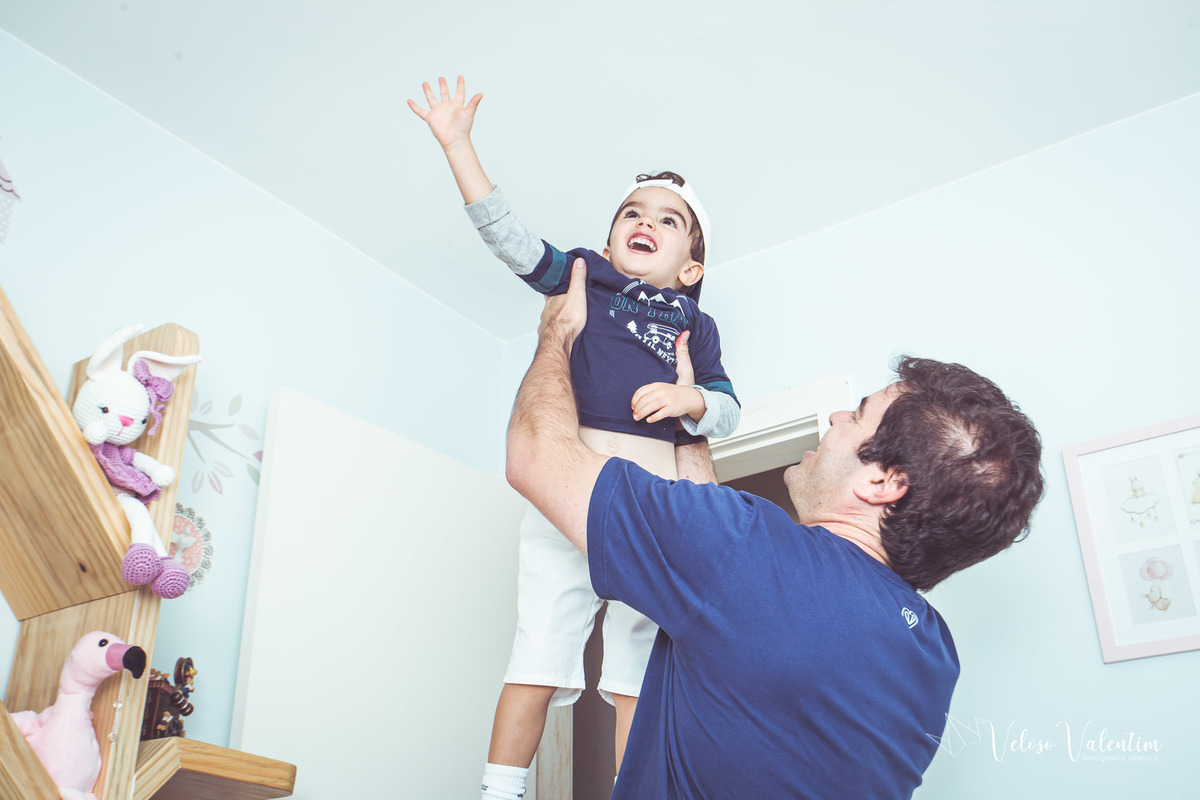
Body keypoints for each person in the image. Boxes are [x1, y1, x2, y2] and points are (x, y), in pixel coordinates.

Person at [506, 260, 1045, 799]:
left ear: (884, 481)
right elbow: (731, 600)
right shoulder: (932, 656)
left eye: (857, 414)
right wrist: (690, 425)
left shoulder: (746, 549)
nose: (835, 418)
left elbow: (534, 456)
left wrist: (557, 333)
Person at [408, 76, 740, 799]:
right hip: (571, 489)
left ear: (692, 266)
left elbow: (725, 410)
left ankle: (634, 788)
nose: (642, 221)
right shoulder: (586, 277)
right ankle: (501, 788)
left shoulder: (694, 324)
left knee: (638, 665)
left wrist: (690, 398)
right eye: (631, 212)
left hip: (653, 502)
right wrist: (459, 146)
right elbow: (511, 241)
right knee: (538, 649)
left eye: (668, 218)